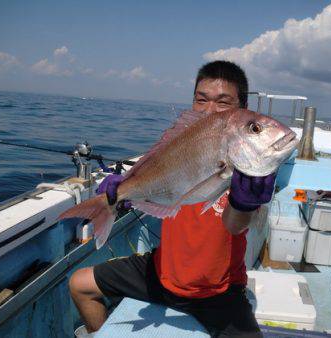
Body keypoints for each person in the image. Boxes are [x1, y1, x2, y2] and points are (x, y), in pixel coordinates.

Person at [69, 61, 276, 337]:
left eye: (223, 102)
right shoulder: (181, 142)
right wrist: (127, 187)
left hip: (218, 292)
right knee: (79, 284)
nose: (210, 109)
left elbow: (235, 225)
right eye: (201, 100)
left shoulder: (249, 165)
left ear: (242, 107)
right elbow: (157, 168)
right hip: (160, 273)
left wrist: (243, 203)